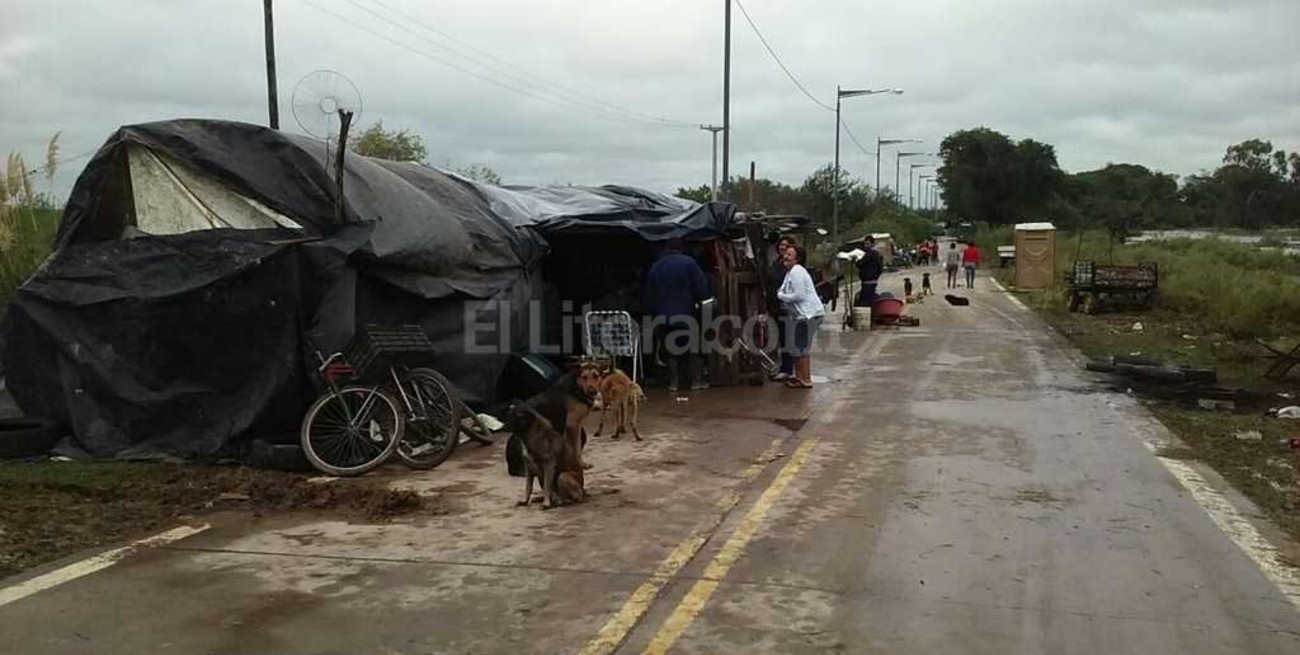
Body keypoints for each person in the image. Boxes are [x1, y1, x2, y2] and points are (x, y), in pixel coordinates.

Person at [643, 239, 710, 392]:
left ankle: (674, 382)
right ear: (682, 248)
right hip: (687, 314)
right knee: (693, 347)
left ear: (666, 248)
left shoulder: (657, 266)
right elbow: (701, 289)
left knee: (670, 349)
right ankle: (696, 382)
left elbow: (649, 294)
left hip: (663, 316)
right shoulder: (690, 263)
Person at [776, 245, 825, 389]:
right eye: (785, 253)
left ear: (797, 259)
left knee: (801, 348)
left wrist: (781, 296)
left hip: (808, 315)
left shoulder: (797, 272)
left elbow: (799, 295)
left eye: (790, 254)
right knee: (796, 348)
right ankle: (799, 378)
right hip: (801, 316)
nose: (785, 256)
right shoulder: (790, 272)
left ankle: (806, 379)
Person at [767, 235, 797, 381]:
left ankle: (788, 369)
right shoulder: (777, 263)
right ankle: (785, 367)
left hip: (786, 305)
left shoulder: (791, 265)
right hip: (775, 304)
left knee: (787, 338)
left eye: (786, 245)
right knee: (782, 337)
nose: (782, 247)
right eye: (781, 245)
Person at [855, 235, 883, 307]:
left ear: (872, 244)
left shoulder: (869, 254)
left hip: (867, 282)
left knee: (865, 302)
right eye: (865, 244)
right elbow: (880, 268)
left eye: (867, 244)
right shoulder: (877, 254)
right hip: (873, 281)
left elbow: (859, 264)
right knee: (871, 300)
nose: (866, 246)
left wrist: (856, 259)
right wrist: (876, 277)